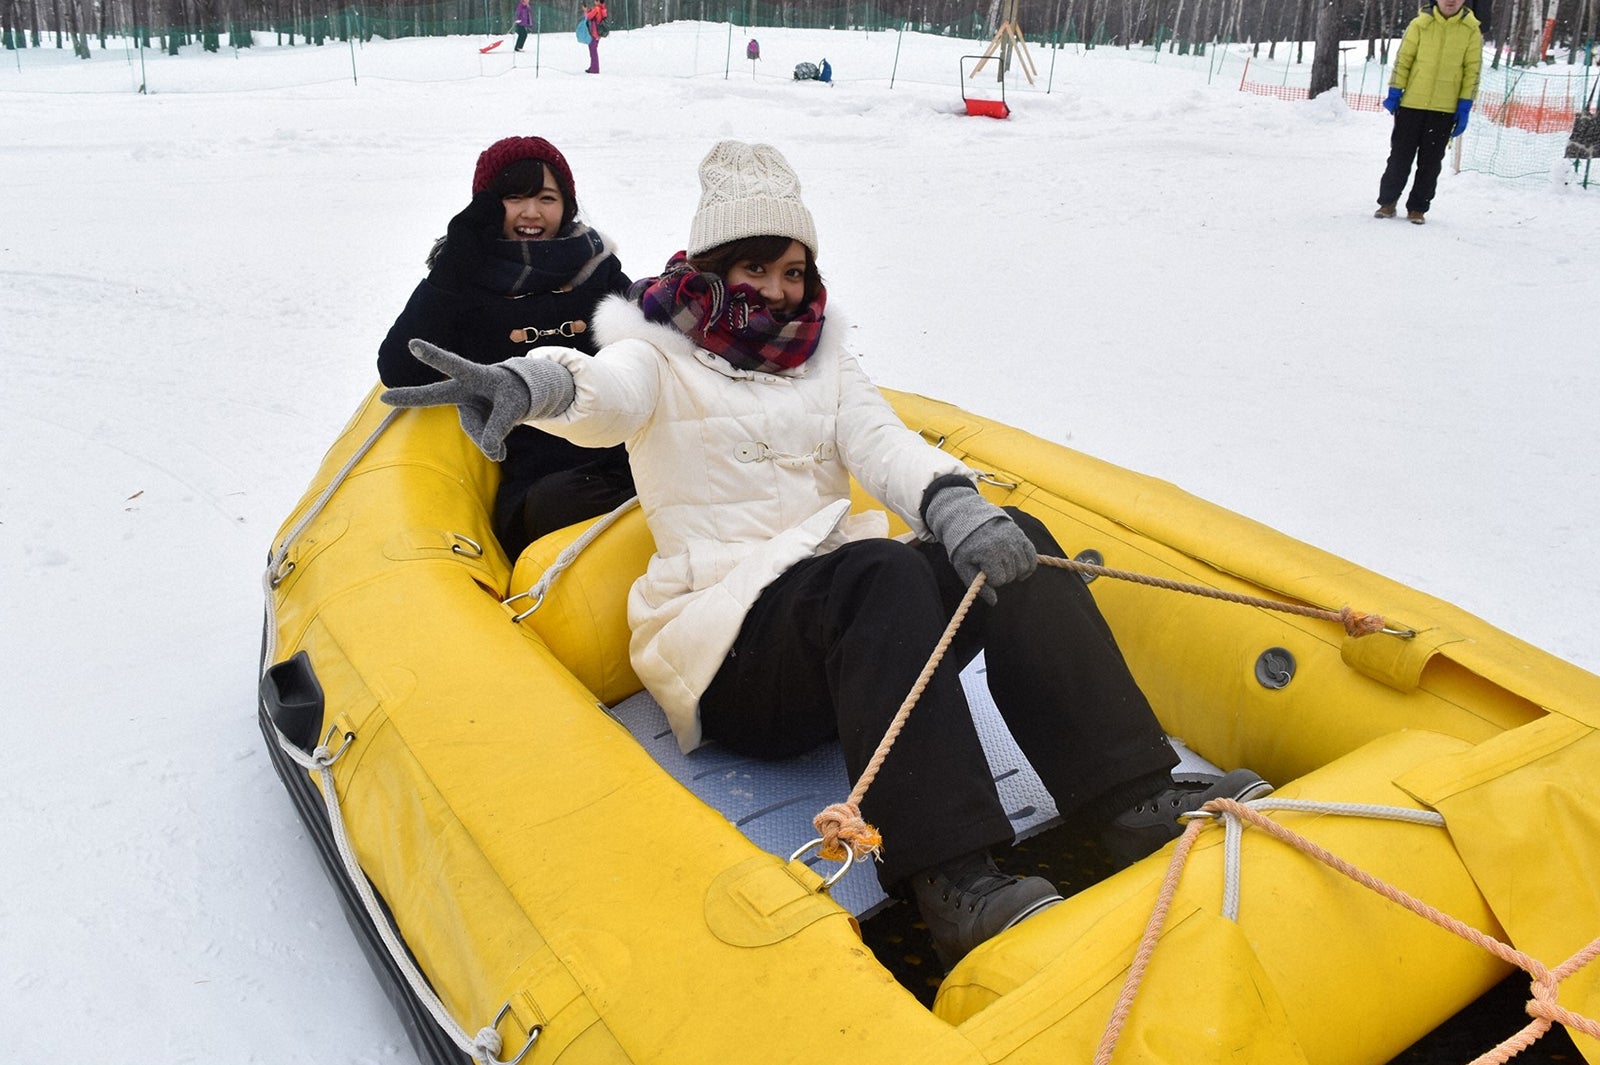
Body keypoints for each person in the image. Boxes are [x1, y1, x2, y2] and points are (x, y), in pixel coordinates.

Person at [381, 141, 1268, 969]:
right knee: (877, 571)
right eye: (754, 267)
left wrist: (955, 503)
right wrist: (534, 381)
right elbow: (602, 395)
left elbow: (883, 441)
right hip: (732, 648)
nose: (776, 289)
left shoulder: (824, 358)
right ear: (710, 269)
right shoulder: (654, 351)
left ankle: (1131, 797)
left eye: (792, 270)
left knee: (1014, 543)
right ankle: (955, 876)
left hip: (848, 623)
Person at [377, 136, 635, 561]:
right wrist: (451, 268)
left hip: (622, 453)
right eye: (514, 197)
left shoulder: (597, 269)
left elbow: (649, 348)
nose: (531, 213)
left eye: (547, 198)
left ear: (567, 205)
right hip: (543, 481)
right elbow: (401, 369)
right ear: (486, 205)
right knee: (566, 502)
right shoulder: (463, 282)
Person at [1375, 0, 1482, 224]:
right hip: (1411, 105)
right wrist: (1395, 90)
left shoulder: (1471, 30)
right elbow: (1404, 60)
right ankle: (1388, 202)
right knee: (1399, 157)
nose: (1450, 1)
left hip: (1444, 109)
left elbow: (1472, 70)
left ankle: (1418, 208)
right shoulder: (1419, 24)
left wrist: (1465, 106)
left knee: (1431, 162)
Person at [583, 0, 607, 73]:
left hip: (594, 32)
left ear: (598, 1)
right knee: (593, 50)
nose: (594, 1)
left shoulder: (597, 9)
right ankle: (593, 66)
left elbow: (589, 17)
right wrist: (589, 10)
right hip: (598, 33)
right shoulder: (602, 9)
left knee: (593, 51)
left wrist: (585, 11)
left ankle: (595, 68)